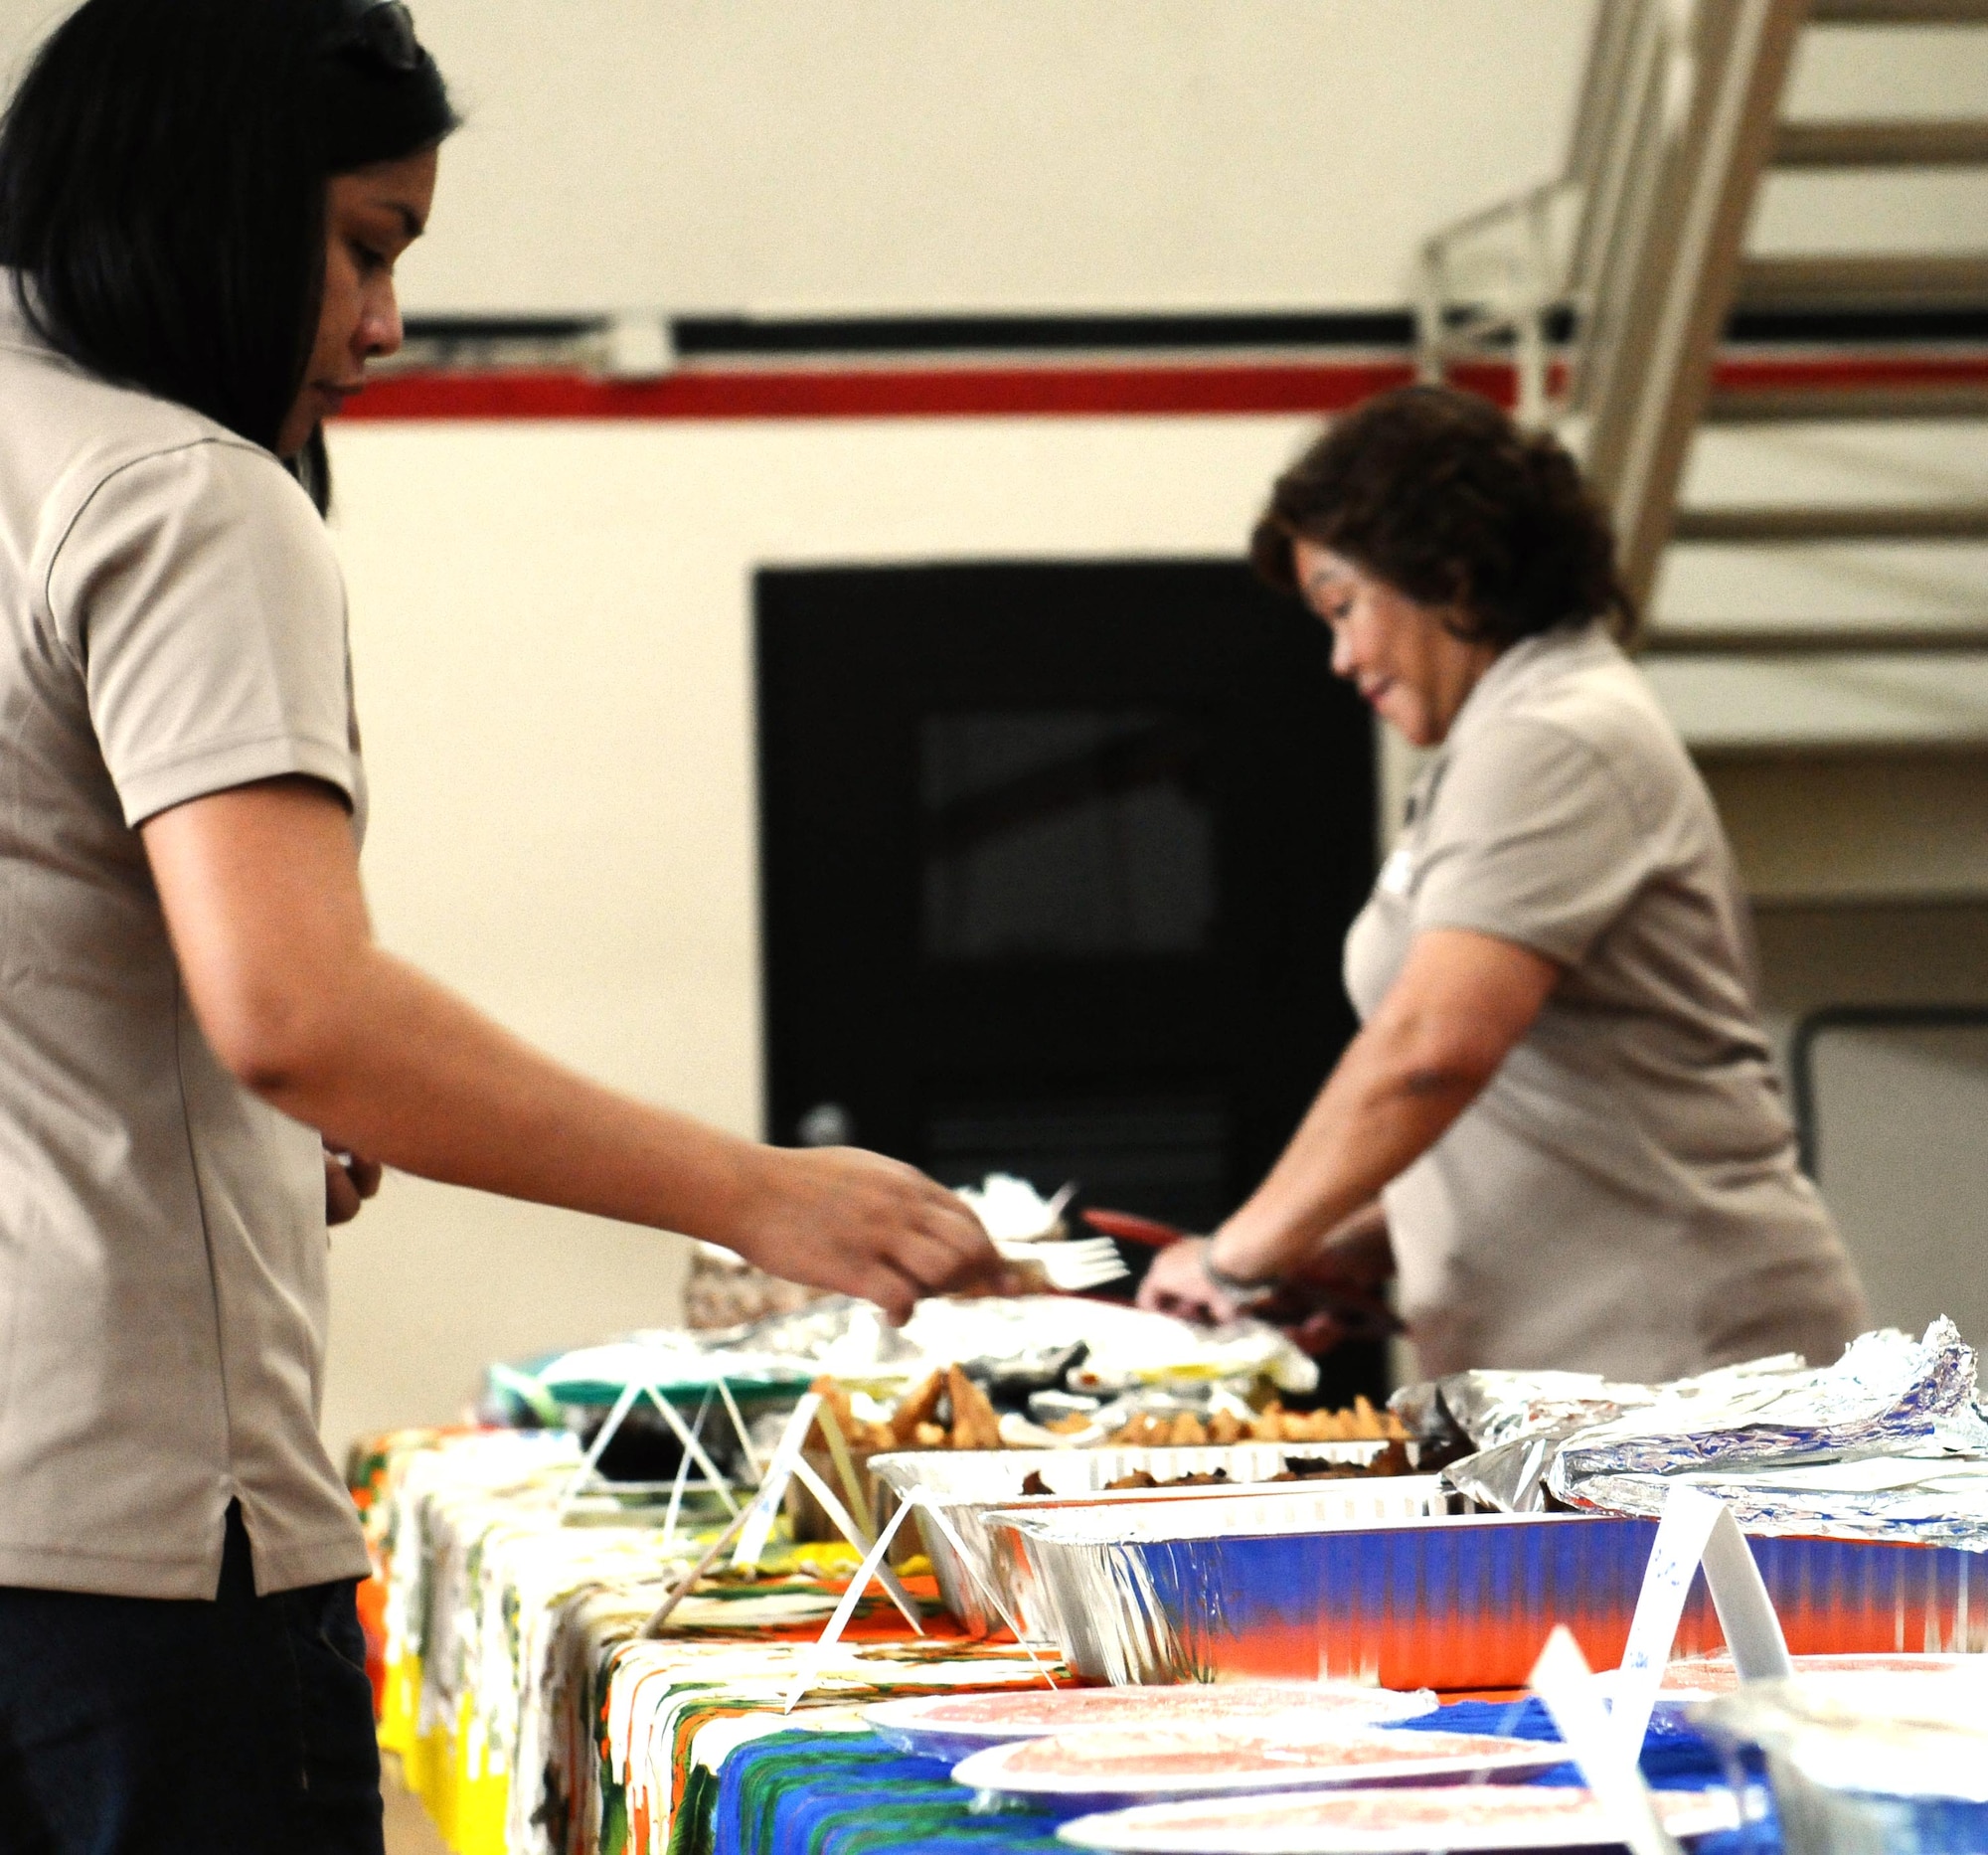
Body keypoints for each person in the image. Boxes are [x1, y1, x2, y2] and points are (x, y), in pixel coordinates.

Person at [0, 2, 1009, 1846]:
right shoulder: (172, 490)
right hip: (119, 1561)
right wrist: (758, 1190)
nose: (385, 324)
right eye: (366, 246)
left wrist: (200, 1134)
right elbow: (298, 1012)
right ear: (208, 201)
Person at [1140, 386, 1868, 1385]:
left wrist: (1235, 1257)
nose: (1341, 656)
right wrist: (1340, 1243)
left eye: (1343, 606)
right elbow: (1525, 1116)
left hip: (1677, 1364)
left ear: (1446, 572)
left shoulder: (1551, 736)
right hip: (1569, 1373)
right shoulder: (1498, 738)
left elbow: (1430, 1053)